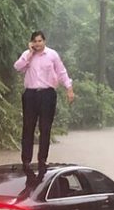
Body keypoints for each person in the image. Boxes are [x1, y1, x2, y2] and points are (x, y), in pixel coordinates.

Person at [13, 30, 75, 175]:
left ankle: (42, 159)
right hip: (30, 94)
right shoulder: (27, 55)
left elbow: (61, 72)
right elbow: (17, 67)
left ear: (44, 41)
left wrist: (69, 88)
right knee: (28, 127)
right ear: (31, 43)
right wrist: (29, 54)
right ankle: (26, 160)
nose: (37, 44)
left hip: (47, 94)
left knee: (45, 128)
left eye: (40, 41)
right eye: (34, 41)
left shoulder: (52, 55)